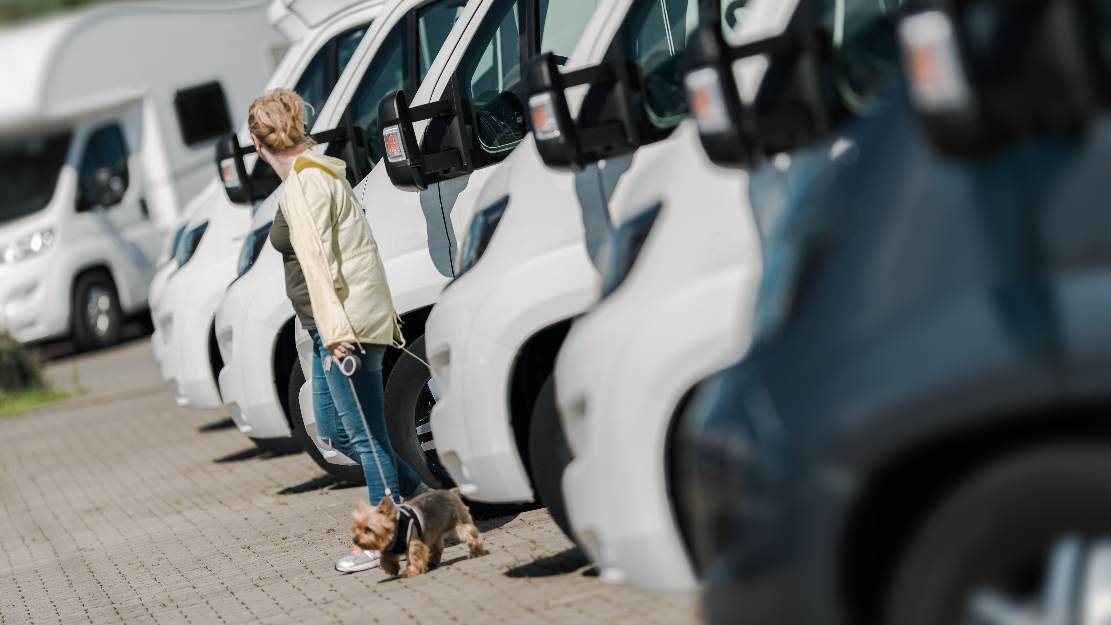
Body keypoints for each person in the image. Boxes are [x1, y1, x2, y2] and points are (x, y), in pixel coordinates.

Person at [252, 88, 424, 574]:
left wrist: (335, 332)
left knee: (365, 437)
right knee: (333, 430)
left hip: (340, 329)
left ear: (260, 144)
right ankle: (423, 499)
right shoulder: (318, 174)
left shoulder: (304, 186)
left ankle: (383, 538)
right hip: (333, 325)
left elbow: (321, 264)